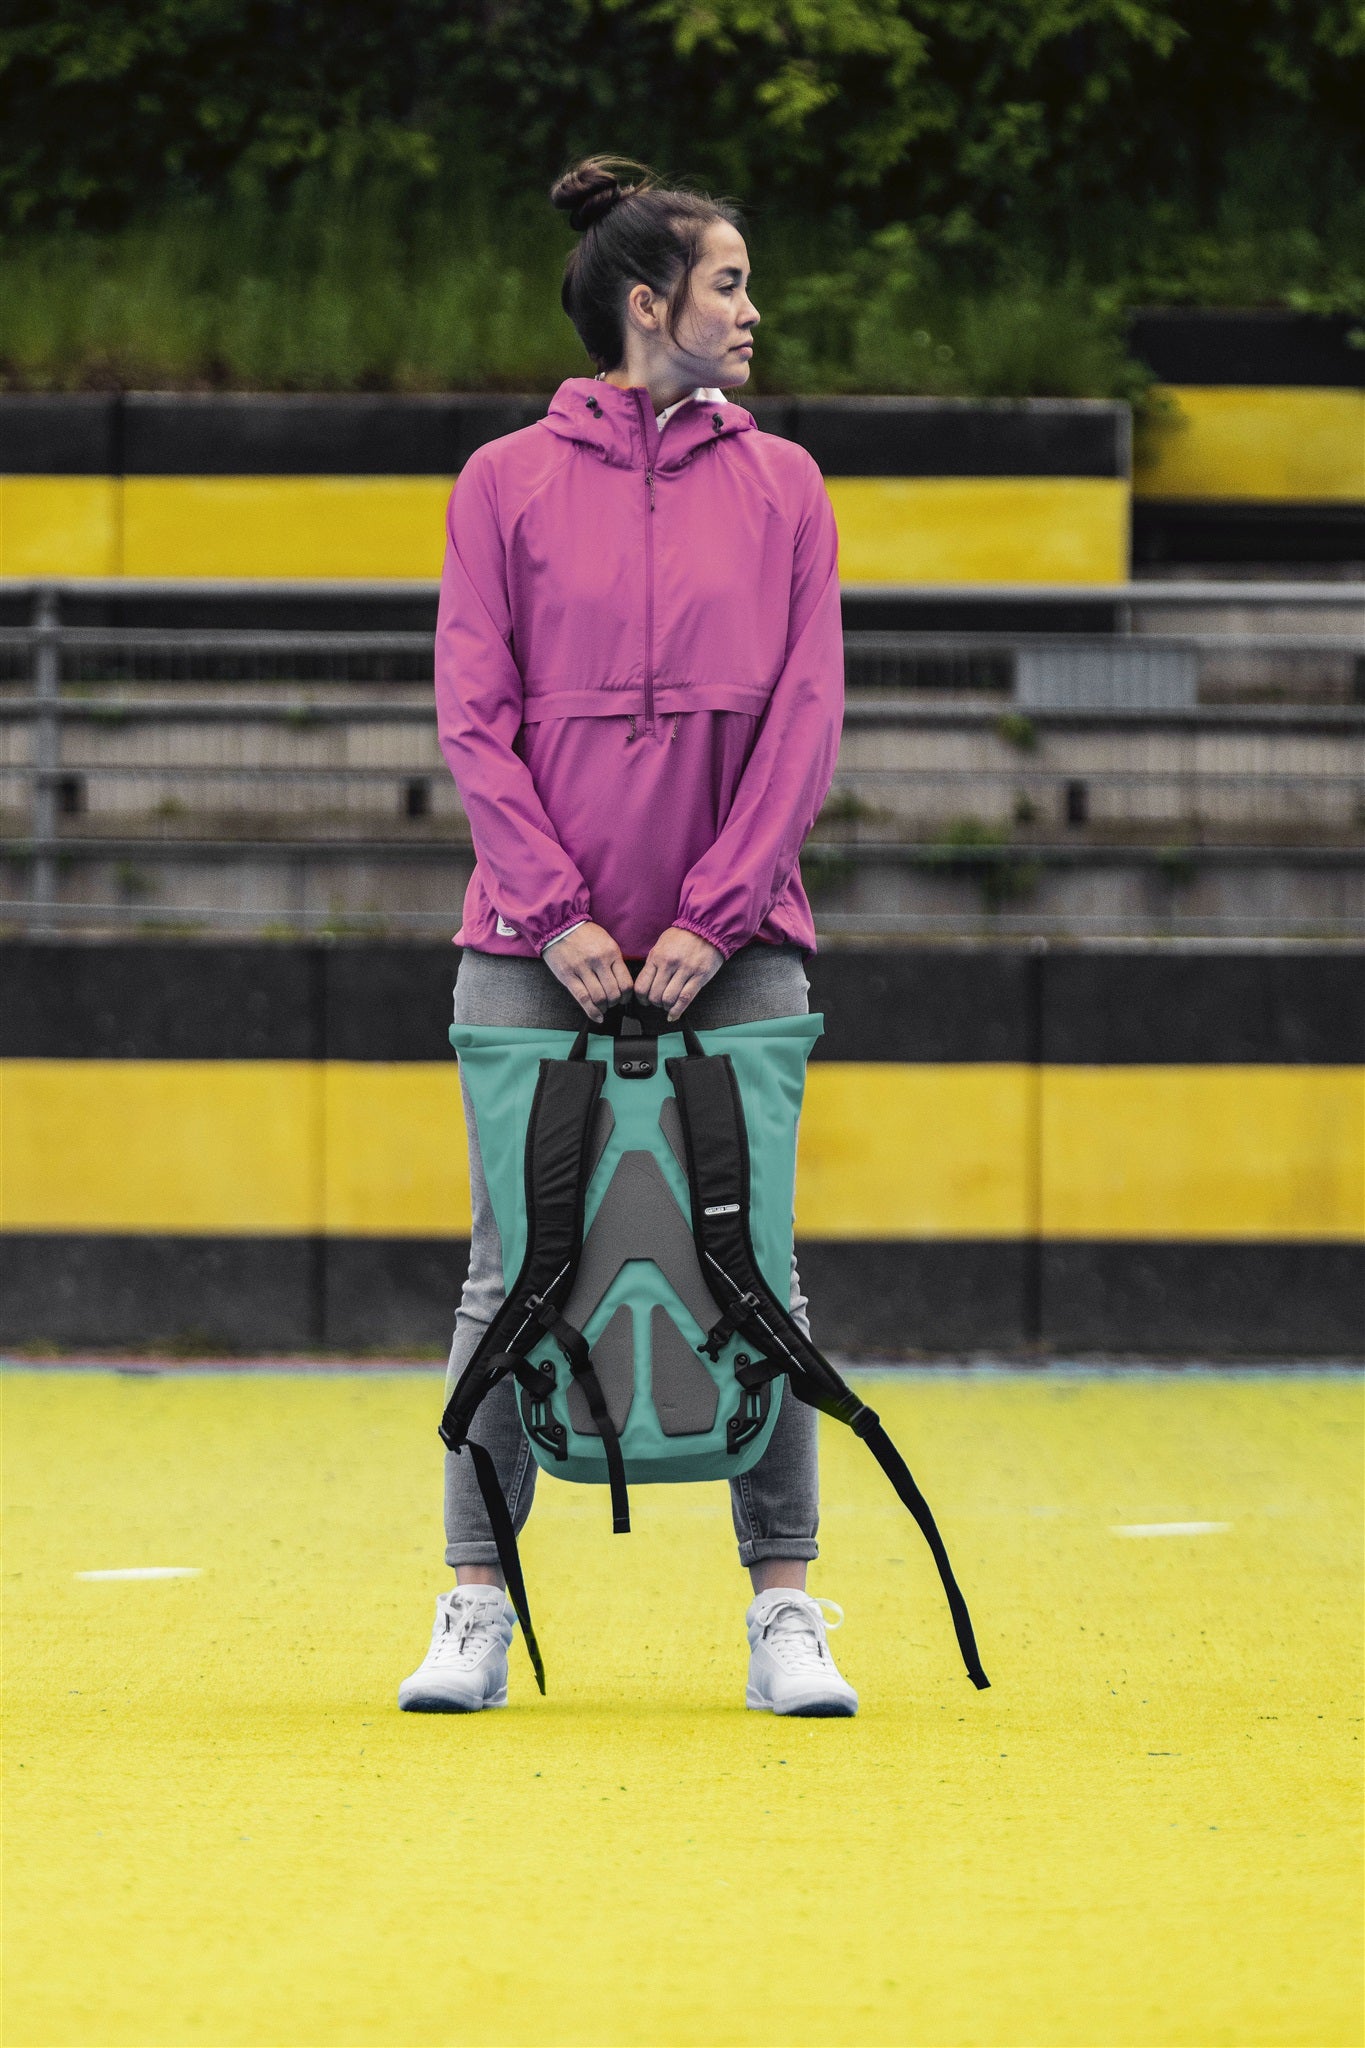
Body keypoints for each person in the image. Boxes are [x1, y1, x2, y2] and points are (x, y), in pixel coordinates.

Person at [399, 157, 854, 1717]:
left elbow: (805, 716)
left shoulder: (785, 485)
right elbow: (473, 715)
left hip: (740, 939)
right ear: (650, 304)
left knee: (759, 1262)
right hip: (531, 945)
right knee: (507, 1266)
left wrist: (715, 915)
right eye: (729, 284)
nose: (752, 311)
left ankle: (784, 1610)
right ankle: (476, 1602)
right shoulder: (500, 481)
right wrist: (553, 914)